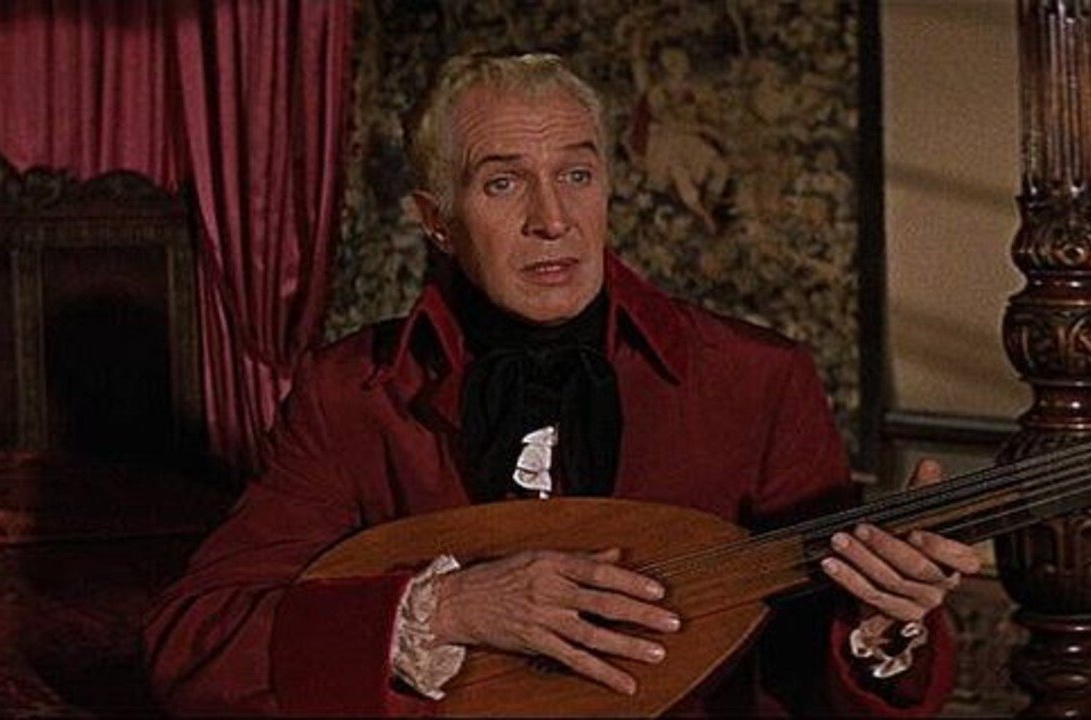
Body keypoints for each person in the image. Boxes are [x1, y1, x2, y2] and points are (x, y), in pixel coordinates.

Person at [144, 53, 981, 716]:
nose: (552, 219)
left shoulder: (757, 380)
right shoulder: (353, 395)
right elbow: (192, 645)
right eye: (503, 182)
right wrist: (447, 609)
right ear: (436, 220)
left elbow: (806, 676)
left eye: (576, 175)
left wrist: (880, 622)